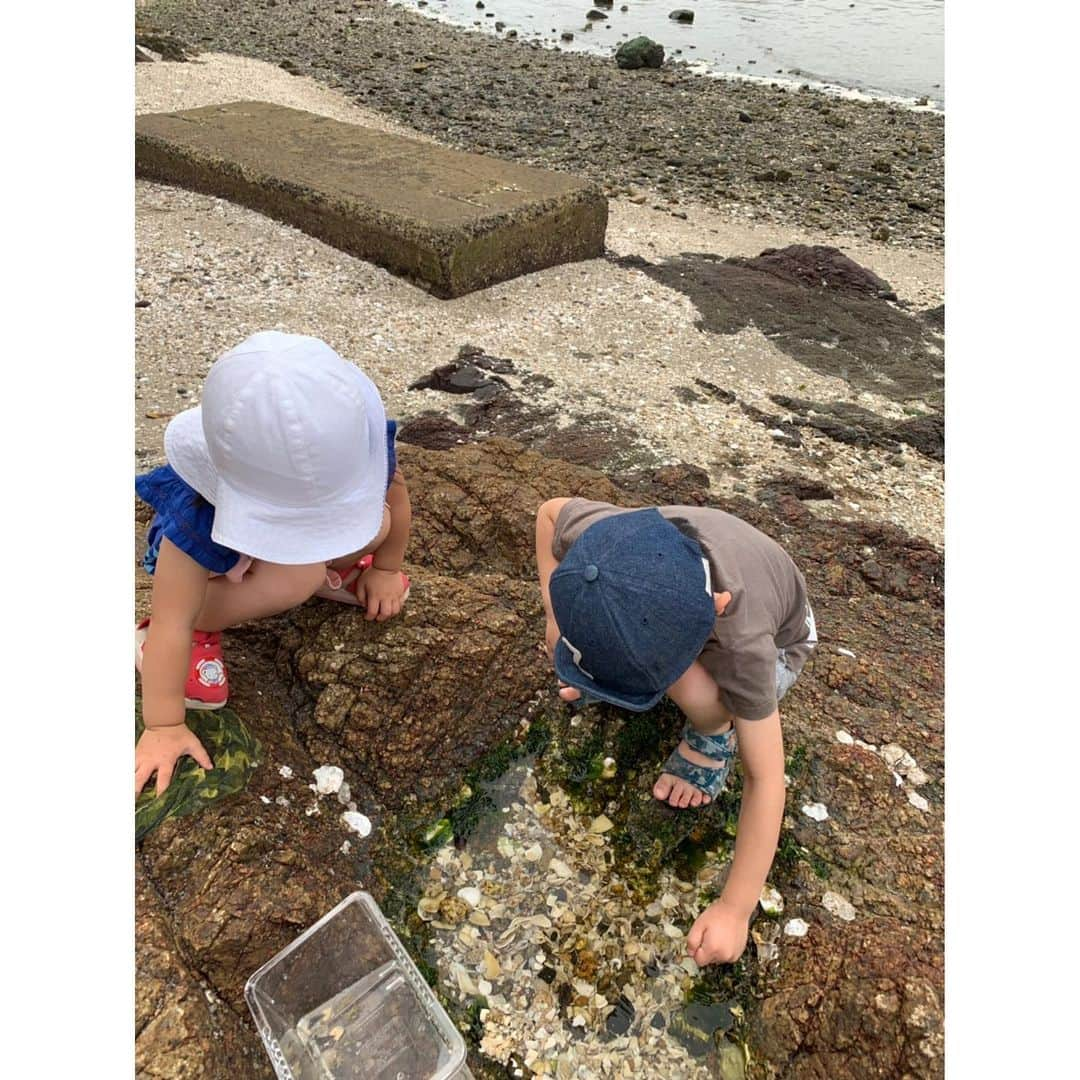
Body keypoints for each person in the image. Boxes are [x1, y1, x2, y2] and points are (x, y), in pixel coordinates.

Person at [535, 497, 817, 966]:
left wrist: (735, 909)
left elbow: (766, 778)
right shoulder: (604, 540)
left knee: (698, 690)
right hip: (695, 574)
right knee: (624, 630)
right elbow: (548, 514)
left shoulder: (741, 644)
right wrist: (555, 618)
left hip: (783, 642)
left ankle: (712, 732)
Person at [134, 331, 412, 798]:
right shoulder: (199, 511)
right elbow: (171, 619)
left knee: (376, 524)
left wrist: (385, 567)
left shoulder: (353, 444)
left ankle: (327, 565)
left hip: (281, 539)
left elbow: (394, 491)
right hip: (222, 568)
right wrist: (163, 725)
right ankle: (205, 623)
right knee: (295, 578)